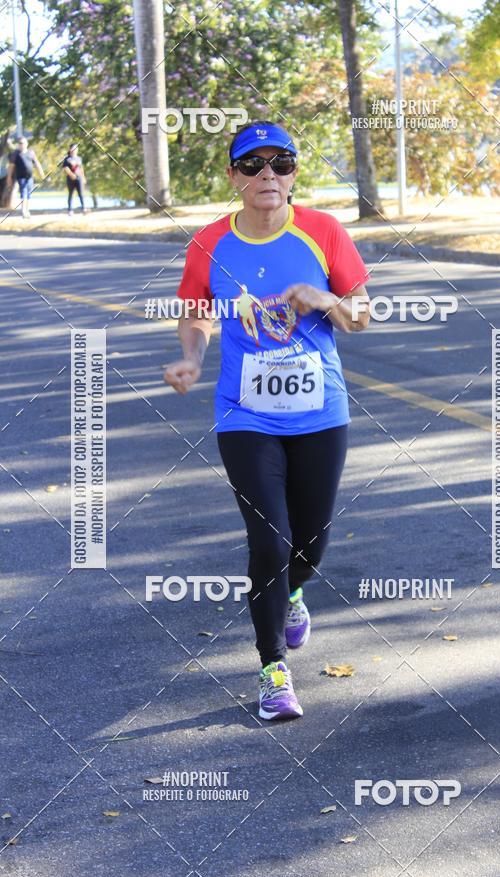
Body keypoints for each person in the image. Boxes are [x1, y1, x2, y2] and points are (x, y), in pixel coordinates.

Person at [164, 121, 370, 720]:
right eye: (253, 165)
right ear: (234, 176)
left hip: (320, 412)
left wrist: (321, 298)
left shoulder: (323, 232)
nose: (268, 175)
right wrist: (191, 357)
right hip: (245, 416)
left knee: (309, 544)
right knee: (269, 541)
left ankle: (295, 590)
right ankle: (273, 670)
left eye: (281, 163)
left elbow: (362, 315)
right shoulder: (209, 243)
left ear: (294, 173)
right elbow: (196, 314)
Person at [7, 137, 44, 218]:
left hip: (30, 177)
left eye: (23, 143)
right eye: (20, 143)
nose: (21, 145)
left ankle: (27, 210)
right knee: (23, 193)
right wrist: (9, 178)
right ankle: (23, 211)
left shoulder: (31, 153)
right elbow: (11, 167)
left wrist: (41, 174)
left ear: (26, 144)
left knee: (29, 194)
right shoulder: (16, 154)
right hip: (21, 177)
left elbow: (37, 163)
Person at [62, 143, 86, 215]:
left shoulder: (79, 158)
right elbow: (65, 168)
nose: (75, 150)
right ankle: (70, 210)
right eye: (73, 148)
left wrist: (83, 177)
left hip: (79, 178)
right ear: (70, 149)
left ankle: (84, 208)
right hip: (71, 178)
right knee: (71, 194)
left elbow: (81, 168)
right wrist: (71, 175)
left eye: (76, 148)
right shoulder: (67, 159)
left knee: (81, 193)